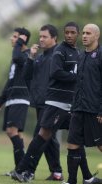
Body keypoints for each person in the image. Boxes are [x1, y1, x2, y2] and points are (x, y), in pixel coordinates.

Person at [12, 23, 79, 182]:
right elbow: (27, 76)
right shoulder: (41, 56)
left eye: (45, 37)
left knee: (42, 136)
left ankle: (27, 170)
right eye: (40, 36)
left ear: (54, 38)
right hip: (40, 102)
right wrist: (31, 57)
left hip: (52, 102)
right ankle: (56, 172)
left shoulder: (58, 54)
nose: (41, 39)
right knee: (47, 138)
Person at [63, 23, 102, 184]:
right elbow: (79, 84)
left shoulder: (100, 55)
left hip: (95, 110)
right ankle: (72, 180)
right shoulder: (80, 55)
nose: (84, 36)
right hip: (78, 108)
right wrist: (74, 106)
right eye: (83, 33)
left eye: (88, 33)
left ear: (96, 36)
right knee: (72, 143)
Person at [0, 27, 30, 175]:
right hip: (11, 98)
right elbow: (10, 81)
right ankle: (19, 169)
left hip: (20, 98)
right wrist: (1, 99)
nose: (12, 39)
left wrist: (20, 43)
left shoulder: (26, 55)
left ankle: (23, 169)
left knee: (11, 131)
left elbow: (16, 57)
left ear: (23, 40)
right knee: (17, 134)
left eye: (15, 37)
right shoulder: (16, 57)